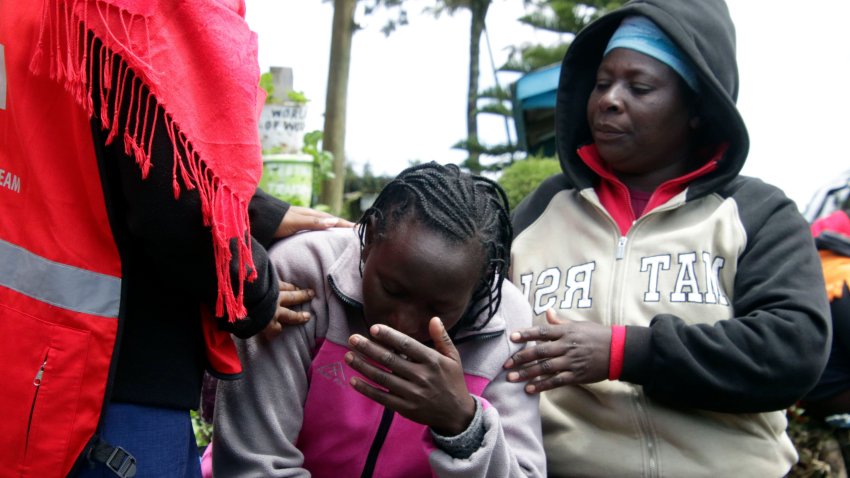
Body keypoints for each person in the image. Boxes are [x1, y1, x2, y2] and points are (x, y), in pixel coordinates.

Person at [0, 1, 348, 476]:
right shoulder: (146, 8)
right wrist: (252, 290)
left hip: (27, 354)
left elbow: (116, 141)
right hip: (111, 387)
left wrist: (254, 211)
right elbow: (177, 210)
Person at [503, 1, 831, 476]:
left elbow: (794, 349)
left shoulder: (758, 213)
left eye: (639, 87)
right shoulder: (538, 213)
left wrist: (624, 352)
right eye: (601, 83)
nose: (610, 100)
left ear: (698, 108)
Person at [209, 162, 546, 477]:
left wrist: (462, 425)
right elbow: (256, 463)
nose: (403, 324)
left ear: (481, 285)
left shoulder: (505, 325)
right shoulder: (302, 272)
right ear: (368, 237)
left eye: (438, 307)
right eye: (392, 290)